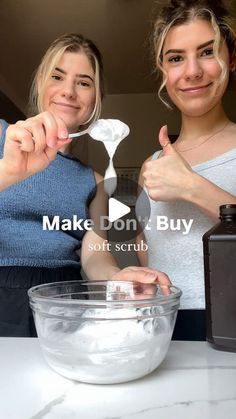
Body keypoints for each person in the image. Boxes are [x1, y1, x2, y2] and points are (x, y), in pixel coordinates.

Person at [0, 33, 169, 337]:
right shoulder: (3, 138)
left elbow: (94, 255)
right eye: (58, 76)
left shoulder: (95, 181)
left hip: (65, 299)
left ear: (96, 98)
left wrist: (118, 278)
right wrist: (10, 171)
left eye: (84, 82)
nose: (68, 91)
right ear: (40, 81)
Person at [137, 0, 236, 340]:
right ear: (163, 69)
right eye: (176, 58)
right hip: (157, 326)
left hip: (228, 326)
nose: (192, 71)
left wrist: (193, 187)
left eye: (207, 52)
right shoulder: (152, 165)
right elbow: (149, 244)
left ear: (231, 58)